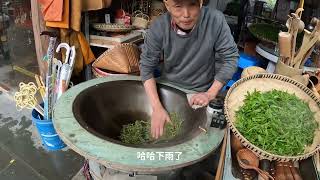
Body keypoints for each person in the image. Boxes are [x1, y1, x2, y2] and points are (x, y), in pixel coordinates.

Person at [139, 0, 239, 139]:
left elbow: (230, 58)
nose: (186, 15)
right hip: (168, 89)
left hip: (201, 93)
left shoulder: (214, 20)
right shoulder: (159, 26)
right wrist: (156, 107)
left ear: (201, 2)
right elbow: (146, 67)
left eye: (192, 4)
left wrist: (210, 94)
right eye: (178, 6)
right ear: (167, 5)